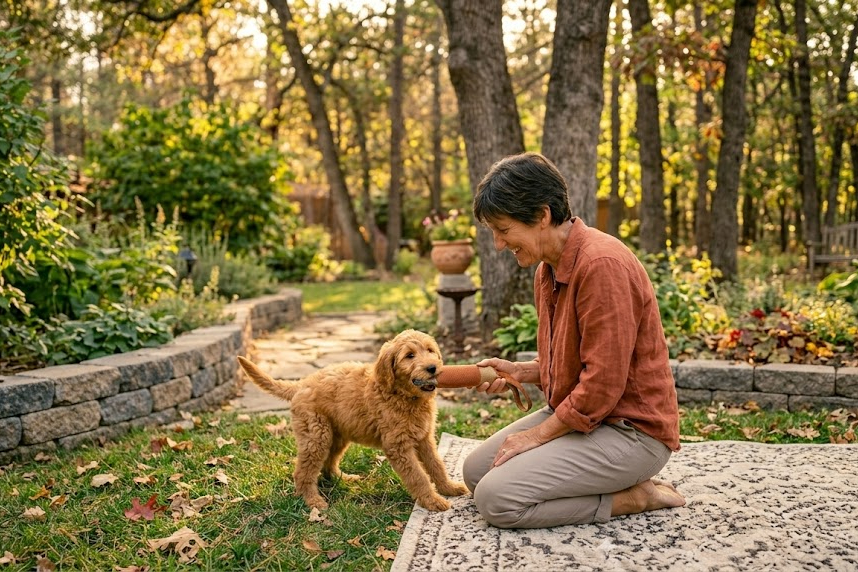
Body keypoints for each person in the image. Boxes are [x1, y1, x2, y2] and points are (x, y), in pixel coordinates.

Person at [463, 152, 686, 529]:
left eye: (504, 230)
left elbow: (601, 385)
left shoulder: (602, 265)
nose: (499, 245)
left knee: (496, 500)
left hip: (631, 432)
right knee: (475, 472)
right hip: (584, 418)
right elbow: (574, 362)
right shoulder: (546, 271)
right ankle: (600, 483)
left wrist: (535, 437)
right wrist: (522, 370)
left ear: (542, 215)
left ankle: (634, 496)